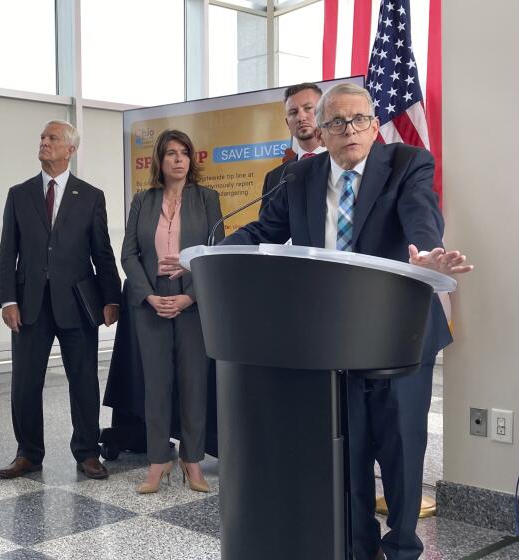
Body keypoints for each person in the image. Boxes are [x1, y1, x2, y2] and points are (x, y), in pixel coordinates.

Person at [161, 83, 472, 560]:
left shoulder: (407, 164)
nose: (350, 131)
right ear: (320, 133)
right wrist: (208, 256)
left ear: (373, 126)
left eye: (360, 120)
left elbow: (420, 218)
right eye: (337, 123)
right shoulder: (299, 179)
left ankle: (405, 549)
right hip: (330, 342)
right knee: (345, 456)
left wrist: (426, 255)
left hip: (398, 337)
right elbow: (265, 230)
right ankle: (357, 547)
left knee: (401, 452)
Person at [0, 120, 122, 480]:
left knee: (83, 380)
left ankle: (87, 452)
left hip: (78, 303)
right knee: (25, 382)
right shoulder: (19, 194)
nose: (44, 142)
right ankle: (28, 453)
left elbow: (102, 251)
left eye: (52, 138)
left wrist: (111, 298)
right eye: (42, 137)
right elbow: (8, 252)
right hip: (29, 303)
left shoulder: (91, 196)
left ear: (71, 149)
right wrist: (7, 300)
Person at [121, 129, 224, 494]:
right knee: (156, 386)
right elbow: (129, 254)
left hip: (193, 304)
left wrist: (191, 297)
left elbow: (216, 254)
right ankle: (157, 460)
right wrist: (148, 296)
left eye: (184, 153)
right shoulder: (143, 200)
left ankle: (192, 460)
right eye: (171, 154)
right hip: (151, 304)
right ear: (159, 162)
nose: (179, 160)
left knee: (194, 383)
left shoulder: (207, 198)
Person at [261, 82, 326, 213]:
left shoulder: (346, 163)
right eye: (293, 112)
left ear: (324, 113)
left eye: (308, 108)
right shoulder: (275, 177)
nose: (301, 117)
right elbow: (266, 228)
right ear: (287, 123)